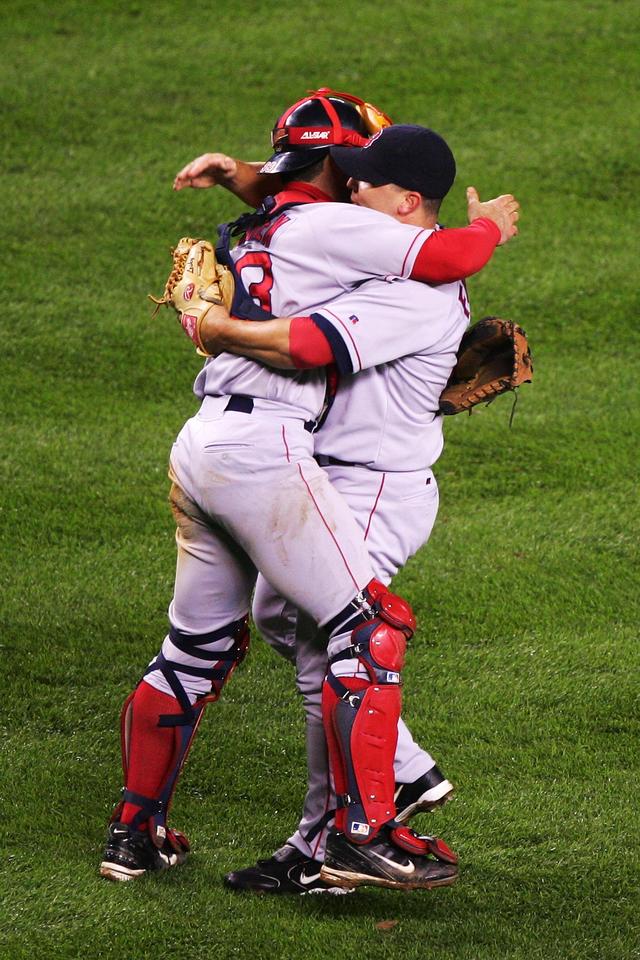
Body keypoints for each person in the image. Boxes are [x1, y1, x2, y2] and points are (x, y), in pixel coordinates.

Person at [100, 93, 517, 892]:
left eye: (368, 180)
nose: (354, 188)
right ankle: (367, 821)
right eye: (348, 172)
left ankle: (141, 831)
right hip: (270, 455)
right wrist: (491, 224)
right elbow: (420, 259)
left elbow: (312, 216)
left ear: (400, 201)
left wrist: (233, 193)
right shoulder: (343, 230)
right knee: (358, 633)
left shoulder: (269, 226)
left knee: (225, 647)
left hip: (215, 449)